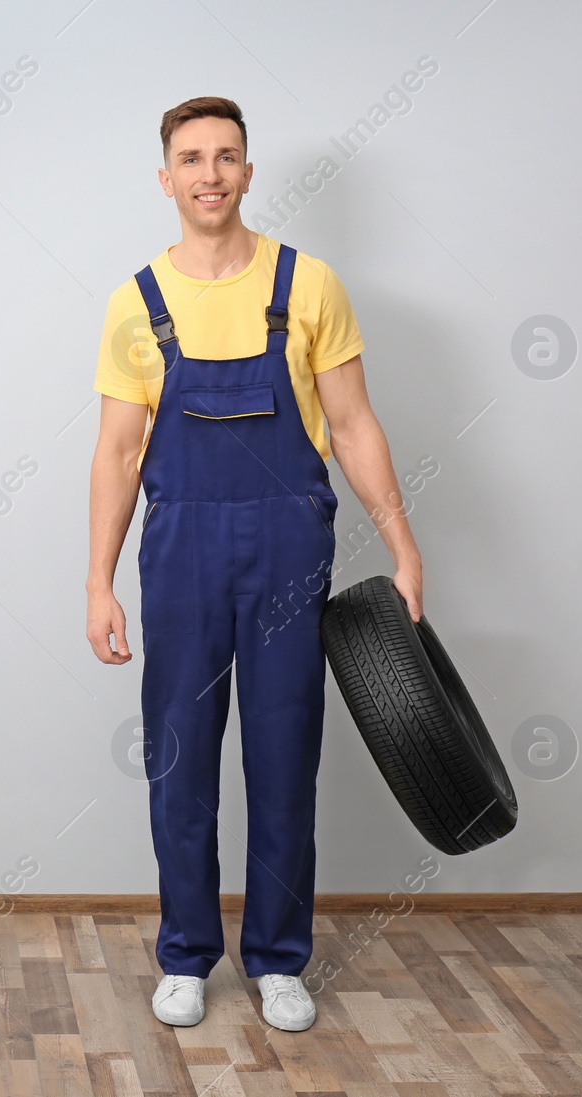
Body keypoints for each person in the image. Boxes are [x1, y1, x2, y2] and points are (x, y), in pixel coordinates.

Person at [85, 96, 424, 1033]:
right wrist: (96, 581)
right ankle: (186, 956)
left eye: (226, 156)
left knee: (284, 761)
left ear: (247, 170)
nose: (209, 173)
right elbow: (117, 454)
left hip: (286, 552)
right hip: (183, 550)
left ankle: (278, 959)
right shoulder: (135, 302)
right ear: (166, 177)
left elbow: (353, 427)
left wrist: (403, 545)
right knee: (181, 763)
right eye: (190, 158)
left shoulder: (308, 284)